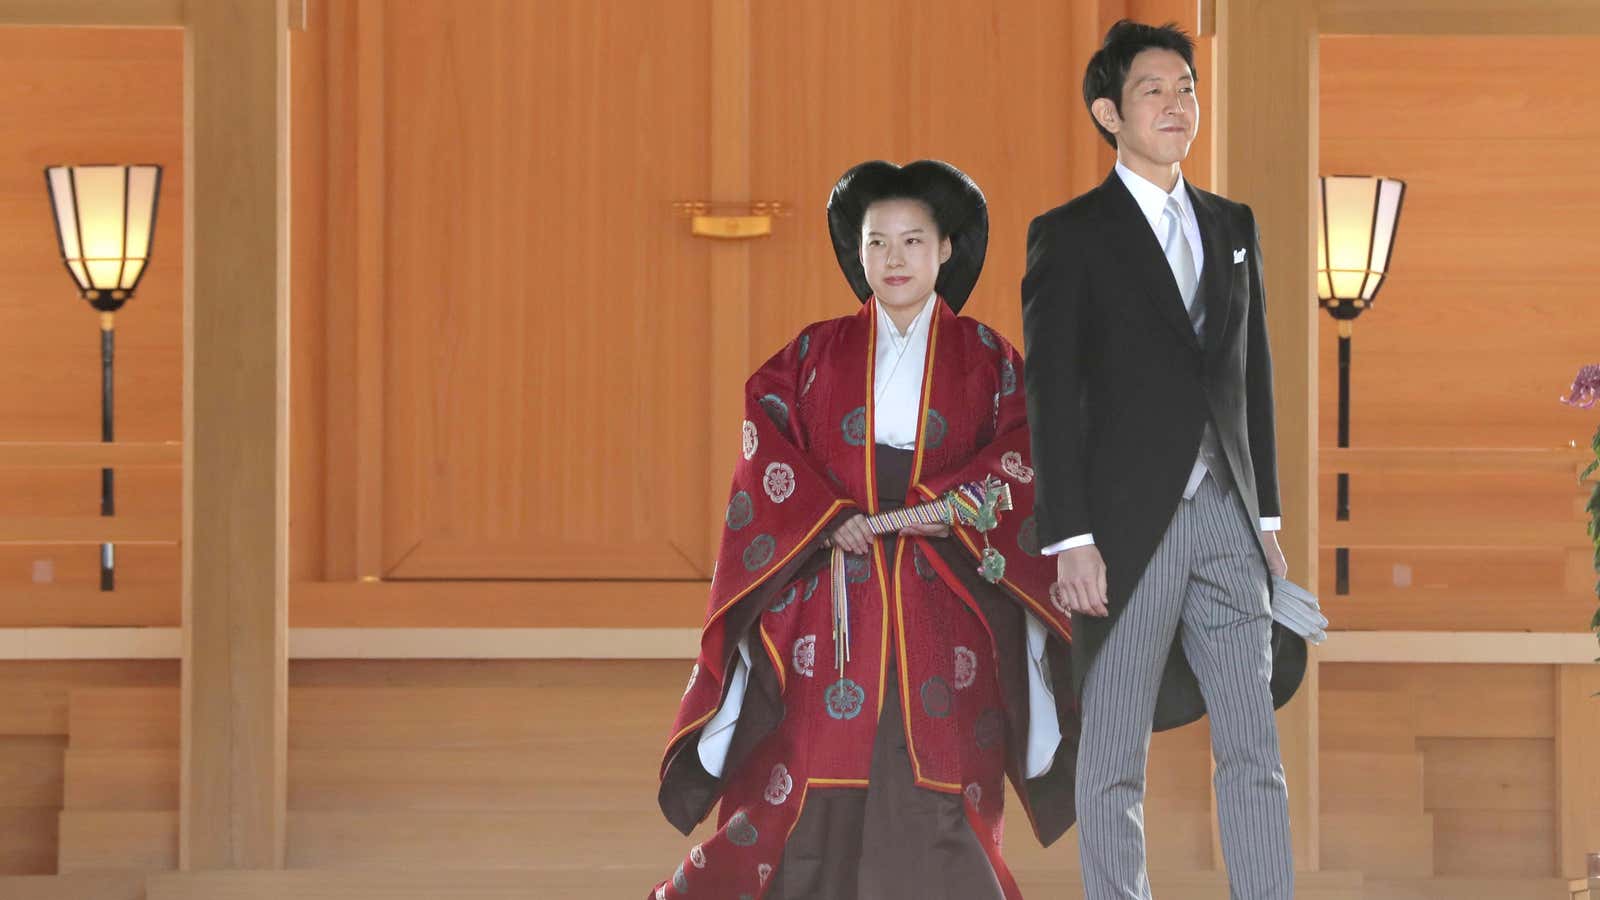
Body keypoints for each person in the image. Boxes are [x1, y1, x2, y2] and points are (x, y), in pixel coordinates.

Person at [650, 160, 1080, 900]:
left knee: (941, 777)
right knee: (803, 778)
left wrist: (942, 506)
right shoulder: (813, 356)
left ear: (947, 249)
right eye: (876, 243)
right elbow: (767, 451)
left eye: (913, 241)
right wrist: (826, 517)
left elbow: (1024, 454)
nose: (893, 260)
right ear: (857, 252)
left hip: (948, 597)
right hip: (827, 592)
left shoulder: (988, 360)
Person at [1020, 20, 1307, 900]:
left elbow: (1250, 378)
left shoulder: (1233, 224)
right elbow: (1051, 396)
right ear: (1110, 112)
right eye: (1155, 90)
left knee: (1253, 746)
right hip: (1121, 530)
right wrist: (1069, 536)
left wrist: (1266, 524)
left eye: (1186, 87)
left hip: (1226, 515)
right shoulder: (1069, 235)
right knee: (1111, 758)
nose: (1178, 104)